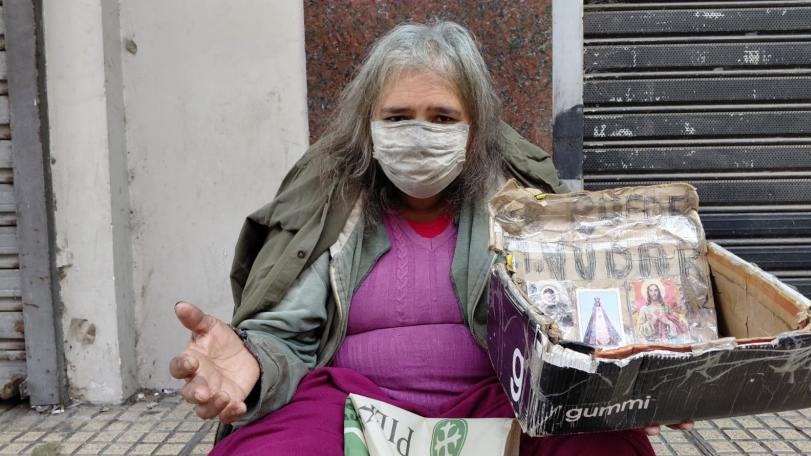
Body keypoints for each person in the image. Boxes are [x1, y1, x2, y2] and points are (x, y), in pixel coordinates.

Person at [170, 21, 687, 455]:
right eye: (398, 118)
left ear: (474, 128)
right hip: (349, 405)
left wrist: (641, 384)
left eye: (442, 118)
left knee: (606, 444)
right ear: (369, 126)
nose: (419, 135)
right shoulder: (327, 203)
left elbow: (577, 325)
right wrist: (254, 365)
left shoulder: (520, 202)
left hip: (497, 402)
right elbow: (285, 337)